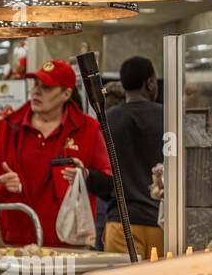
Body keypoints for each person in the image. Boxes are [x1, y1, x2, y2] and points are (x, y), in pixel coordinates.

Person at [0, 59, 110, 248]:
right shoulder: (9, 126)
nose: (36, 91)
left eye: (46, 87)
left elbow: (109, 184)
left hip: (70, 247)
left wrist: (85, 175)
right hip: (17, 247)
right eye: (36, 84)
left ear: (66, 93)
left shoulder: (88, 129)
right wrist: (3, 188)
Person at [65, 55, 165, 256]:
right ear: (150, 83)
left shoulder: (108, 119)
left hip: (120, 225)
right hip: (160, 222)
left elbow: (103, 177)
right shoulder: (167, 116)